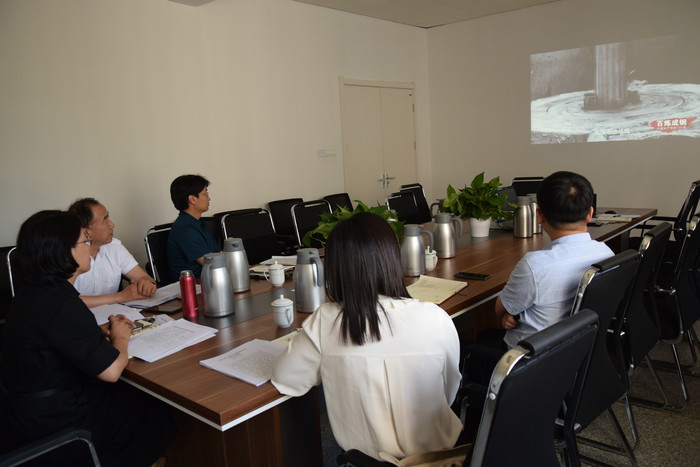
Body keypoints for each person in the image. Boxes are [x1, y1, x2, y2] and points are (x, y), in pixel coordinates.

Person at [272, 212, 462, 461]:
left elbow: (286, 378)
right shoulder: (435, 317)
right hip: (442, 461)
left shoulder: (326, 321)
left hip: (366, 462)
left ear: (336, 268)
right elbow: (448, 392)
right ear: (392, 258)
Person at [0, 210, 175, 466]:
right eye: (86, 241)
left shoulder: (35, 293)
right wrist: (121, 336)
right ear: (63, 251)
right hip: (56, 419)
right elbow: (112, 370)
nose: (91, 248)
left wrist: (99, 330)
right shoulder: (61, 302)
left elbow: (58, 338)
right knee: (153, 407)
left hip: (24, 412)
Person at [465, 171, 615, 387]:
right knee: (488, 336)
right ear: (590, 213)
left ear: (539, 215)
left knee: (469, 348)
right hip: (578, 353)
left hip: (528, 365)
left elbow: (500, 308)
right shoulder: (606, 253)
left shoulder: (535, 265)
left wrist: (510, 311)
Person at [69, 198, 157, 308]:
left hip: (115, 315)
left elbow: (144, 277)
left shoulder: (114, 246)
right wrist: (120, 297)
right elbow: (66, 300)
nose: (112, 225)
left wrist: (147, 285)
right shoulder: (68, 255)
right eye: (105, 221)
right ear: (87, 232)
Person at [167, 174, 219, 281]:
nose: (209, 198)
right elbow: (212, 264)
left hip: (210, 279)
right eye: (205, 194)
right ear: (192, 199)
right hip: (194, 286)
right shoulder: (185, 229)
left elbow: (218, 255)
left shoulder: (198, 223)